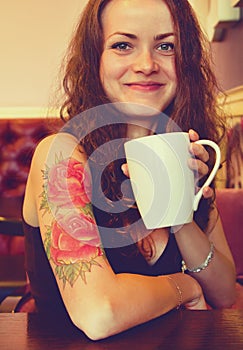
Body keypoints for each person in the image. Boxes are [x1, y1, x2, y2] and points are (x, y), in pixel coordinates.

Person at [23, 0, 236, 340]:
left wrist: (178, 210)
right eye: (123, 45)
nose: (147, 64)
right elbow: (99, 314)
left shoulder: (185, 155)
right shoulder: (60, 155)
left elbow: (226, 293)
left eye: (166, 46)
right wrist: (185, 287)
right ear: (96, 59)